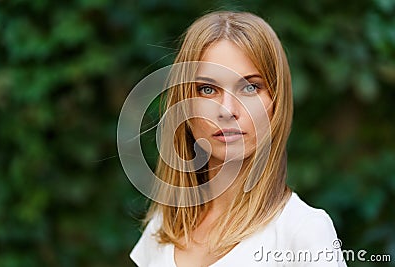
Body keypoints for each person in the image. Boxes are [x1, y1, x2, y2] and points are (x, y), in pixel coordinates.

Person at [129, 11, 347, 267]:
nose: (227, 109)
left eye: (250, 87)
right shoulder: (165, 226)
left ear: (277, 103)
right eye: (207, 89)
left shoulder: (302, 232)